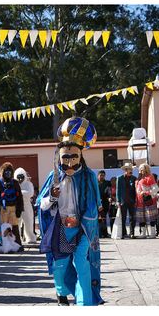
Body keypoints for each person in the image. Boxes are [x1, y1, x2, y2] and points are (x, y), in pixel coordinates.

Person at [36, 117, 102, 306]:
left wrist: (92, 219)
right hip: (61, 229)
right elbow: (42, 205)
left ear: (81, 155)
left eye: (74, 157)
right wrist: (53, 197)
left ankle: (85, 303)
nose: (70, 162)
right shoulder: (53, 176)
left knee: (82, 263)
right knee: (60, 267)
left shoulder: (89, 176)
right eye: (66, 158)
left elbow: (95, 203)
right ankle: (61, 293)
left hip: (83, 228)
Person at [0, 162, 24, 250]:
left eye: (9, 172)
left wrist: (19, 209)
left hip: (13, 208)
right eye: (6, 172)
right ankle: (4, 246)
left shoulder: (15, 183)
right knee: (4, 227)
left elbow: (20, 197)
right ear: (2, 172)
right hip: (2, 209)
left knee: (15, 227)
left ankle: (17, 245)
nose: (8, 174)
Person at [135, 164, 159, 238]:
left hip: (148, 201)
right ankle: (143, 234)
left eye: (142, 169)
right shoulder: (139, 179)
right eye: (140, 169)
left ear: (146, 169)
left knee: (151, 217)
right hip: (140, 201)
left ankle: (152, 234)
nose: (141, 171)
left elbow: (156, 189)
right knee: (141, 218)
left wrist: (146, 193)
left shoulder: (150, 177)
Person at [15, 167, 38, 244]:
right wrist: (22, 193)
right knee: (16, 223)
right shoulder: (14, 184)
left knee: (29, 222)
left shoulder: (29, 184)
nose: (20, 179)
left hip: (27, 205)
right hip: (17, 206)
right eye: (18, 177)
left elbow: (30, 193)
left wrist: (19, 193)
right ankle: (17, 239)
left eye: (22, 177)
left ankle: (31, 238)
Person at [116, 162, 137, 238]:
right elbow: (118, 191)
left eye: (131, 169)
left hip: (132, 201)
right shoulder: (120, 178)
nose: (130, 170)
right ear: (125, 170)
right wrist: (118, 201)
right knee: (123, 218)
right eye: (129, 169)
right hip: (123, 201)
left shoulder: (134, 178)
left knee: (132, 218)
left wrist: (136, 200)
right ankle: (123, 233)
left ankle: (132, 233)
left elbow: (135, 190)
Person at [97, 171, 111, 238]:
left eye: (103, 175)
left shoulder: (107, 183)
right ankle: (98, 233)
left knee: (104, 219)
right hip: (96, 204)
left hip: (105, 203)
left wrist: (109, 198)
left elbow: (109, 192)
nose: (102, 176)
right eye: (100, 175)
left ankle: (105, 233)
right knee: (97, 219)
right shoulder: (95, 183)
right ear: (98, 176)